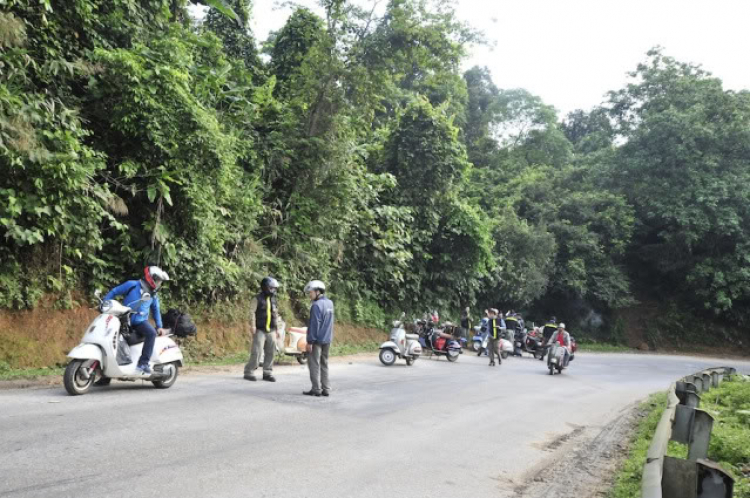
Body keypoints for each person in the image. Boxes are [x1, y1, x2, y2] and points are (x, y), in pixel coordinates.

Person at [103, 265, 170, 375]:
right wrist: (105, 303)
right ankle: (105, 372)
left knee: (151, 333)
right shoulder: (132, 285)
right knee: (109, 338)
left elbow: (156, 310)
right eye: (158, 280)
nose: (159, 284)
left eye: (160, 282)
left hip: (140, 322)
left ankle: (143, 363)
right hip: (122, 318)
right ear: (150, 277)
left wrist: (159, 326)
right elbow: (115, 291)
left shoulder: (153, 295)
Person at [243, 277, 282, 382]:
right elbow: (252, 312)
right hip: (260, 329)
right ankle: (249, 371)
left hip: (272, 330)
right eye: (271, 288)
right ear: (265, 287)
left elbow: (276, 314)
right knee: (257, 351)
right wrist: (253, 325)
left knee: (271, 352)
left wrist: (277, 329)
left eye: (274, 288)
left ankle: (267, 373)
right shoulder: (257, 298)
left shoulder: (273, 299)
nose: (273, 290)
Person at [303, 280, 334, 397]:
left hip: (316, 341)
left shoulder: (316, 305)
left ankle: (316, 389)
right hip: (327, 339)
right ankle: (326, 389)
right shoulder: (330, 303)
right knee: (324, 363)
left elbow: (314, 324)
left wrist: (310, 341)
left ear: (317, 291)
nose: (309, 295)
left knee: (314, 364)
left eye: (310, 292)